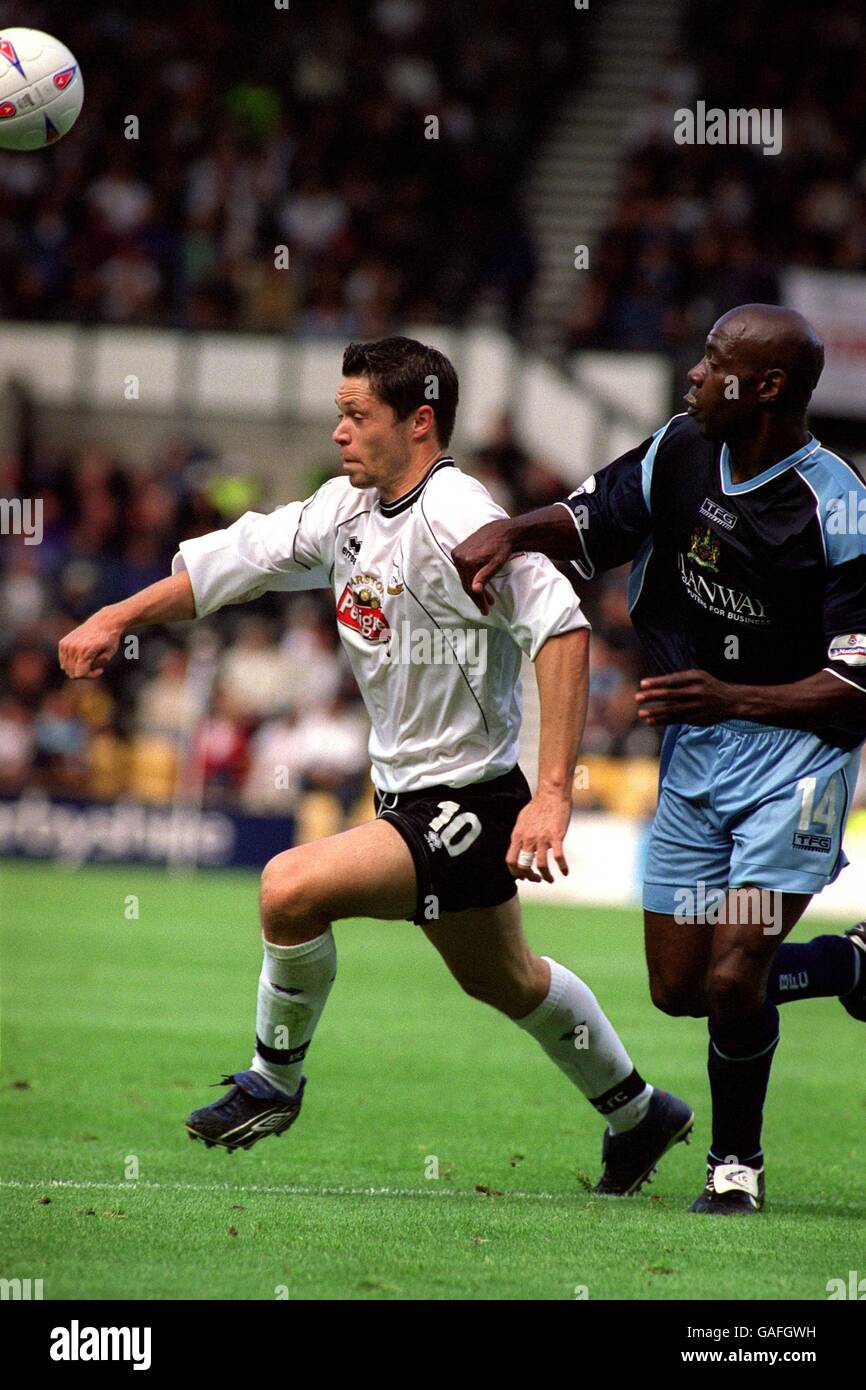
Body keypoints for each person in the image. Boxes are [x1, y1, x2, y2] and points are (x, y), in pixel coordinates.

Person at [59, 336, 692, 1196]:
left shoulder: (459, 514)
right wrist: (114, 614)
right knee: (505, 980)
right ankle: (639, 1113)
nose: (338, 432)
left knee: (289, 886)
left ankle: (273, 1082)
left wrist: (551, 794)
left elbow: (563, 626)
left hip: (469, 800)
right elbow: (228, 567)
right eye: (339, 413)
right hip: (407, 793)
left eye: (357, 415)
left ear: (419, 422)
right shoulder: (343, 511)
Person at [453, 304, 866, 1215]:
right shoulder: (681, 447)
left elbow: (858, 686)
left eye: (713, 361)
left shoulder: (840, 507)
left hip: (796, 765)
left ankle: (735, 1168)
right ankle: (846, 968)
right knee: (681, 988)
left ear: (763, 388)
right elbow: (592, 518)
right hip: (693, 757)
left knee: (735, 971)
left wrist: (733, 697)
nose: (693, 373)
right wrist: (511, 532)